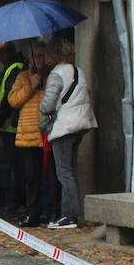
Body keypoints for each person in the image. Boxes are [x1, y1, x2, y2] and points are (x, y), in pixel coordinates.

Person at [38, 37, 97, 229]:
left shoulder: (56, 74)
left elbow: (48, 104)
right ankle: (70, 213)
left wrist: (42, 107)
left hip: (64, 126)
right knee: (70, 171)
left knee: (64, 173)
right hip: (81, 123)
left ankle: (68, 215)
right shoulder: (79, 71)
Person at [7, 45, 51, 227]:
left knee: (49, 175)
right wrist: (30, 86)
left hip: (46, 132)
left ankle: (49, 210)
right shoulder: (23, 77)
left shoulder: (52, 76)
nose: (38, 60)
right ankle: (33, 211)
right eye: (35, 56)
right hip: (28, 133)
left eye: (42, 56)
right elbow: (13, 100)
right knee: (31, 176)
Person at [0, 43, 26, 214]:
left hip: (11, 126)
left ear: (6, 54)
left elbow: (8, 97)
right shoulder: (10, 68)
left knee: (16, 167)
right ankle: (15, 201)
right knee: (14, 166)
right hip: (8, 126)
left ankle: (15, 201)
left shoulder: (15, 68)